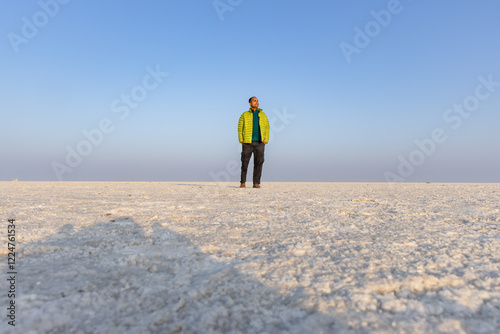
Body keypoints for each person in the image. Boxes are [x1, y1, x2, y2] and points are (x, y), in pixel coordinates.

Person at [238, 96, 270, 188]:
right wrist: (241, 140)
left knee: (259, 163)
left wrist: (265, 140)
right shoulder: (244, 115)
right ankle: (243, 182)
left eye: (257, 101)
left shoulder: (263, 115)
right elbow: (240, 127)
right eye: (254, 101)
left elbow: (267, 127)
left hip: (260, 143)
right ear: (250, 103)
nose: (257, 102)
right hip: (247, 143)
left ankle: (256, 183)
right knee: (244, 163)